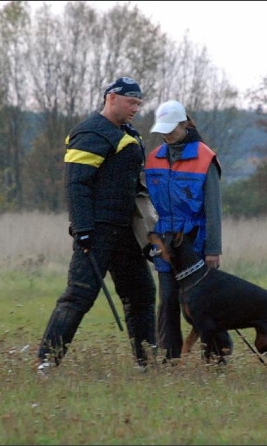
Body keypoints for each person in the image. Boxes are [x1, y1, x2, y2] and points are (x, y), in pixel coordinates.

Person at [36, 77, 157, 375]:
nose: (136, 109)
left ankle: (147, 365)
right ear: (111, 98)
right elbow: (77, 185)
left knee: (141, 294)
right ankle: (46, 362)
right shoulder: (91, 132)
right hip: (97, 232)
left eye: (139, 104)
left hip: (125, 232)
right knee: (79, 296)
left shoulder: (129, 133)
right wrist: (83, 229)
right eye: (132, 102)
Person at [144, 99, 232, 363]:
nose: (167, 134)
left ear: (186, 124)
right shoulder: (153, 159)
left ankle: (218, 354)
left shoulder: (206, 158)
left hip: (196, 241)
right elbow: (145, 201)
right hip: (166, 242)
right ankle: (169, 359)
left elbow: (213, 209)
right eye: (163, 129)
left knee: (201, 304)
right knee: (168, 300)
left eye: (172, 128)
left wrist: (214, 249)